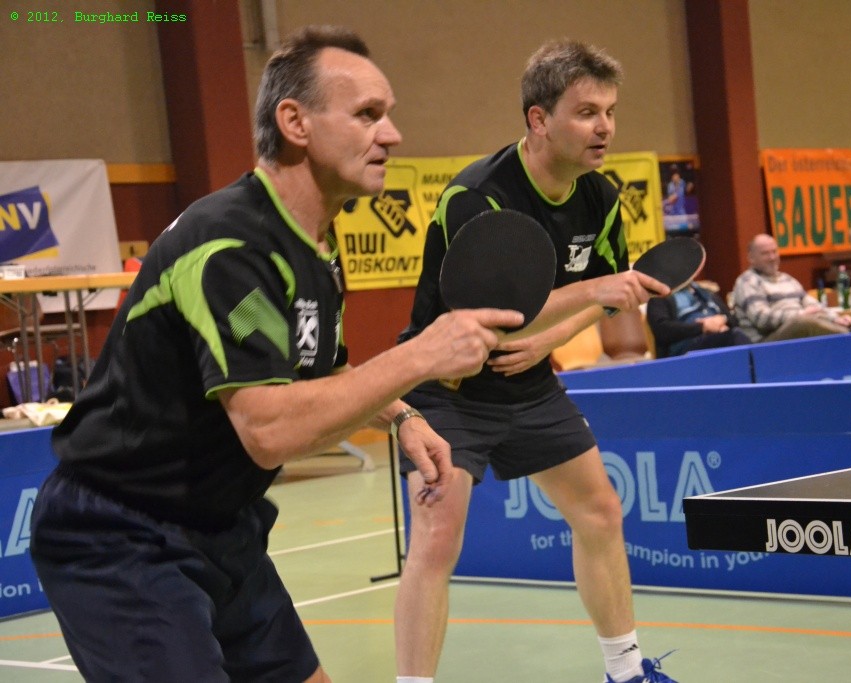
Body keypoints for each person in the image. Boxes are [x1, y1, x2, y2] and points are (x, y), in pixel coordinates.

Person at [29, 26, 526, 683]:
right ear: (295, 123)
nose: (392, 134)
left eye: (388, 114)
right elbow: (269, 431)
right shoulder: (229, 245)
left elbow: (323, 371)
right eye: (367, 114)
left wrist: (403, 416)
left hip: (220, 525)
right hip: (120, 537)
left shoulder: (315, 243)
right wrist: (422, 356)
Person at [393, 40, 680, 683]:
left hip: (528, 383)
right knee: (437, 536)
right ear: (539, 119)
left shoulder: (600, 199)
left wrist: (554, 338)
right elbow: (490, 315)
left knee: (600, 512)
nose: (604, 127)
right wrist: (592, 292)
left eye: (610, 111)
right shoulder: (477, 197)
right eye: (587, 112)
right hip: (446, 388)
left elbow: (604, 300)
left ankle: (626, 672)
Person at [732, 234, 851, 342]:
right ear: (751, 258)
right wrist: (799, 314)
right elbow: (762, 319)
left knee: (839, 322)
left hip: (798, 332)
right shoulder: (747, 281)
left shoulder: (788, 279)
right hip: (766, 342)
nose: (772, 257)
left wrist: (834, 318)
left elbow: (813, 305)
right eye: (765, 253)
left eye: (774, 252)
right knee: (803, 323)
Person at [646, 279, 750, 357]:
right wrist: (702, 327)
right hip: (686, 351)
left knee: (738, 335)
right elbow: (662, 330)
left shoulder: (705, 292)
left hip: (721, 339)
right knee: (736, 338)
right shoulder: (659, 297)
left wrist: (722, 320)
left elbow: (734, 320)